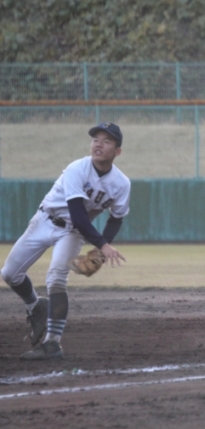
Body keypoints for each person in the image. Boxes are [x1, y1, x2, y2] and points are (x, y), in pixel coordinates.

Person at [1, 122, 131, 360]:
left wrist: (100, 249)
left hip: (72, 233)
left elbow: (116, 218)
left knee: (56, 279)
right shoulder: (77, 168)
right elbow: (79, 215)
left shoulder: (122, 183)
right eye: (95, 139)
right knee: (9, 274)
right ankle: (36, 306)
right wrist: (103, 246)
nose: (98, 144)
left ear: (118, 151)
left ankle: (52, 343)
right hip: (44, 220)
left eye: (107, 141)